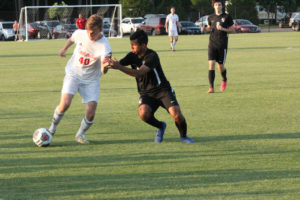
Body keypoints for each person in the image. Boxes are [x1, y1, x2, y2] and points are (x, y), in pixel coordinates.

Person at [104, 30, 194, 143]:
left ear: (143, 45)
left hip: (163, 91)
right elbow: (118, 64)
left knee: (176, 114)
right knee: (143, 114)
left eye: (134, 45)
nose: (131, 47)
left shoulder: (152, 56)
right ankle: (161, 126)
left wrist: (119, 67)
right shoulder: (131, 56)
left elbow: (139, 73)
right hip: (146, 94)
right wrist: (108, 64)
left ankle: (183, 136)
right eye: (130, 44)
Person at [48, 14, 112, 144]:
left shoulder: (105, 47)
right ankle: (52, 128)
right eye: (88, 32)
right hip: (73, 74)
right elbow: (72, 39)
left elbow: (103, 71)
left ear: (100, 29)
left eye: (93, 33)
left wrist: (106, 66)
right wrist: (64, 49)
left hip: (91, 81)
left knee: (91, 113)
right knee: (65, 104)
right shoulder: (80, 33)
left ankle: (80, 134)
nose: (89, 35)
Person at [201, 0, 235, 93]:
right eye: (216, 5)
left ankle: (224, 79)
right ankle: (211, 87)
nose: (218, 6)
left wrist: (223, 29)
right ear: (213, 6)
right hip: (212, 44)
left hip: (222, 44)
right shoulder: (210, 17)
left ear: (222, 6)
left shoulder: (227, 17)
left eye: (219, 5)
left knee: (220, 66)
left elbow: (233, 30)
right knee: (211, 65)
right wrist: (205, 29)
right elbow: (209, 27)